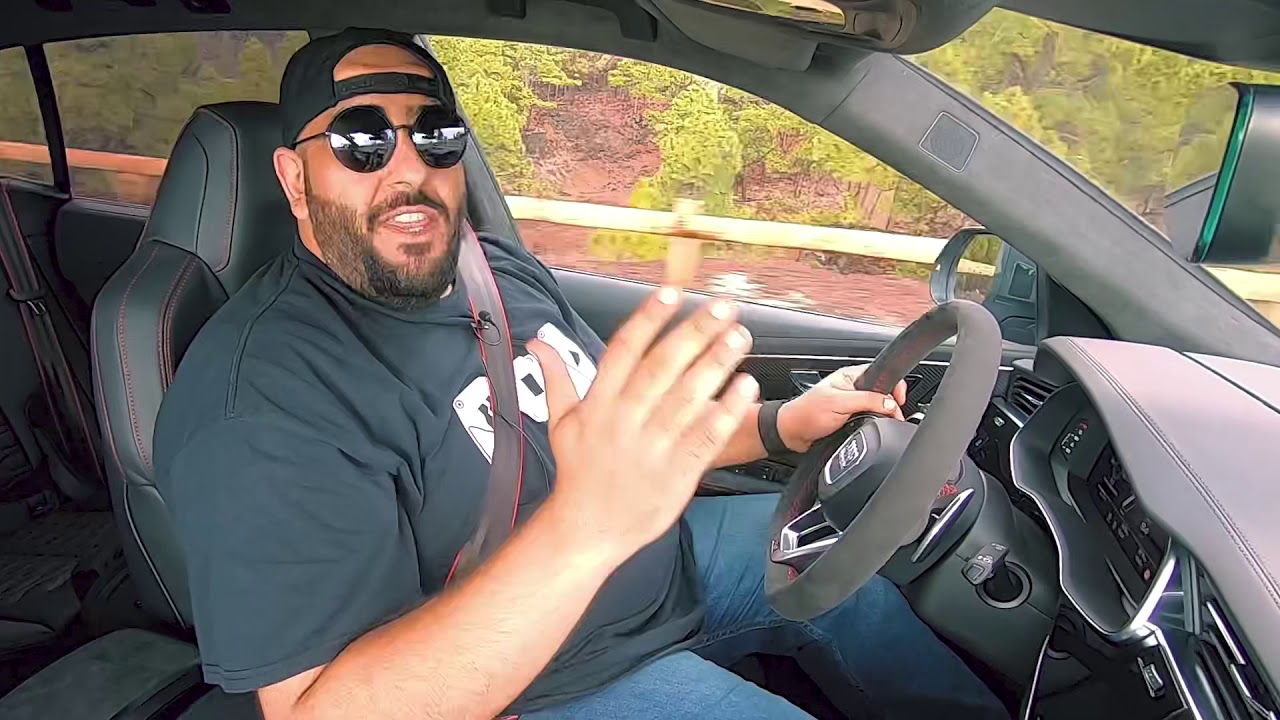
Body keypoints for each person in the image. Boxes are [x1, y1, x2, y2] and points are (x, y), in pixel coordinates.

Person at [154, 28, 1007, 720]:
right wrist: (585, 528)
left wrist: (784, 424)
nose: (408, 169)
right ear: (294, 177)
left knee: (844, 568)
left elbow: (624, 446)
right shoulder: (262, 401)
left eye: (435, 134)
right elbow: (320, 712)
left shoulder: (495, 272)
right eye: (362, 139)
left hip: (659, 565)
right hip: (544, 683)